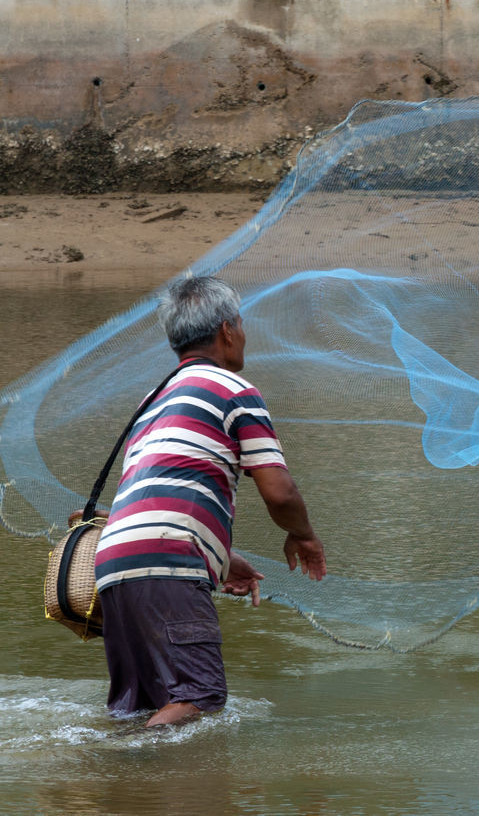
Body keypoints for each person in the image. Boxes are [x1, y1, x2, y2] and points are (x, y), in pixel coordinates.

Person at [84, 275, 326, 728]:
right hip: (167, 560)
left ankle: (119, 793)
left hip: (114, 563)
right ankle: (118, 769)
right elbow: (279, 491)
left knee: (137, 709)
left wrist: (219, 557)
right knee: (200, 697)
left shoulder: (151, 400)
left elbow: (154, 495)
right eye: (241, 324)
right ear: (227, 330)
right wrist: (303, 535)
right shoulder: (234, 391)